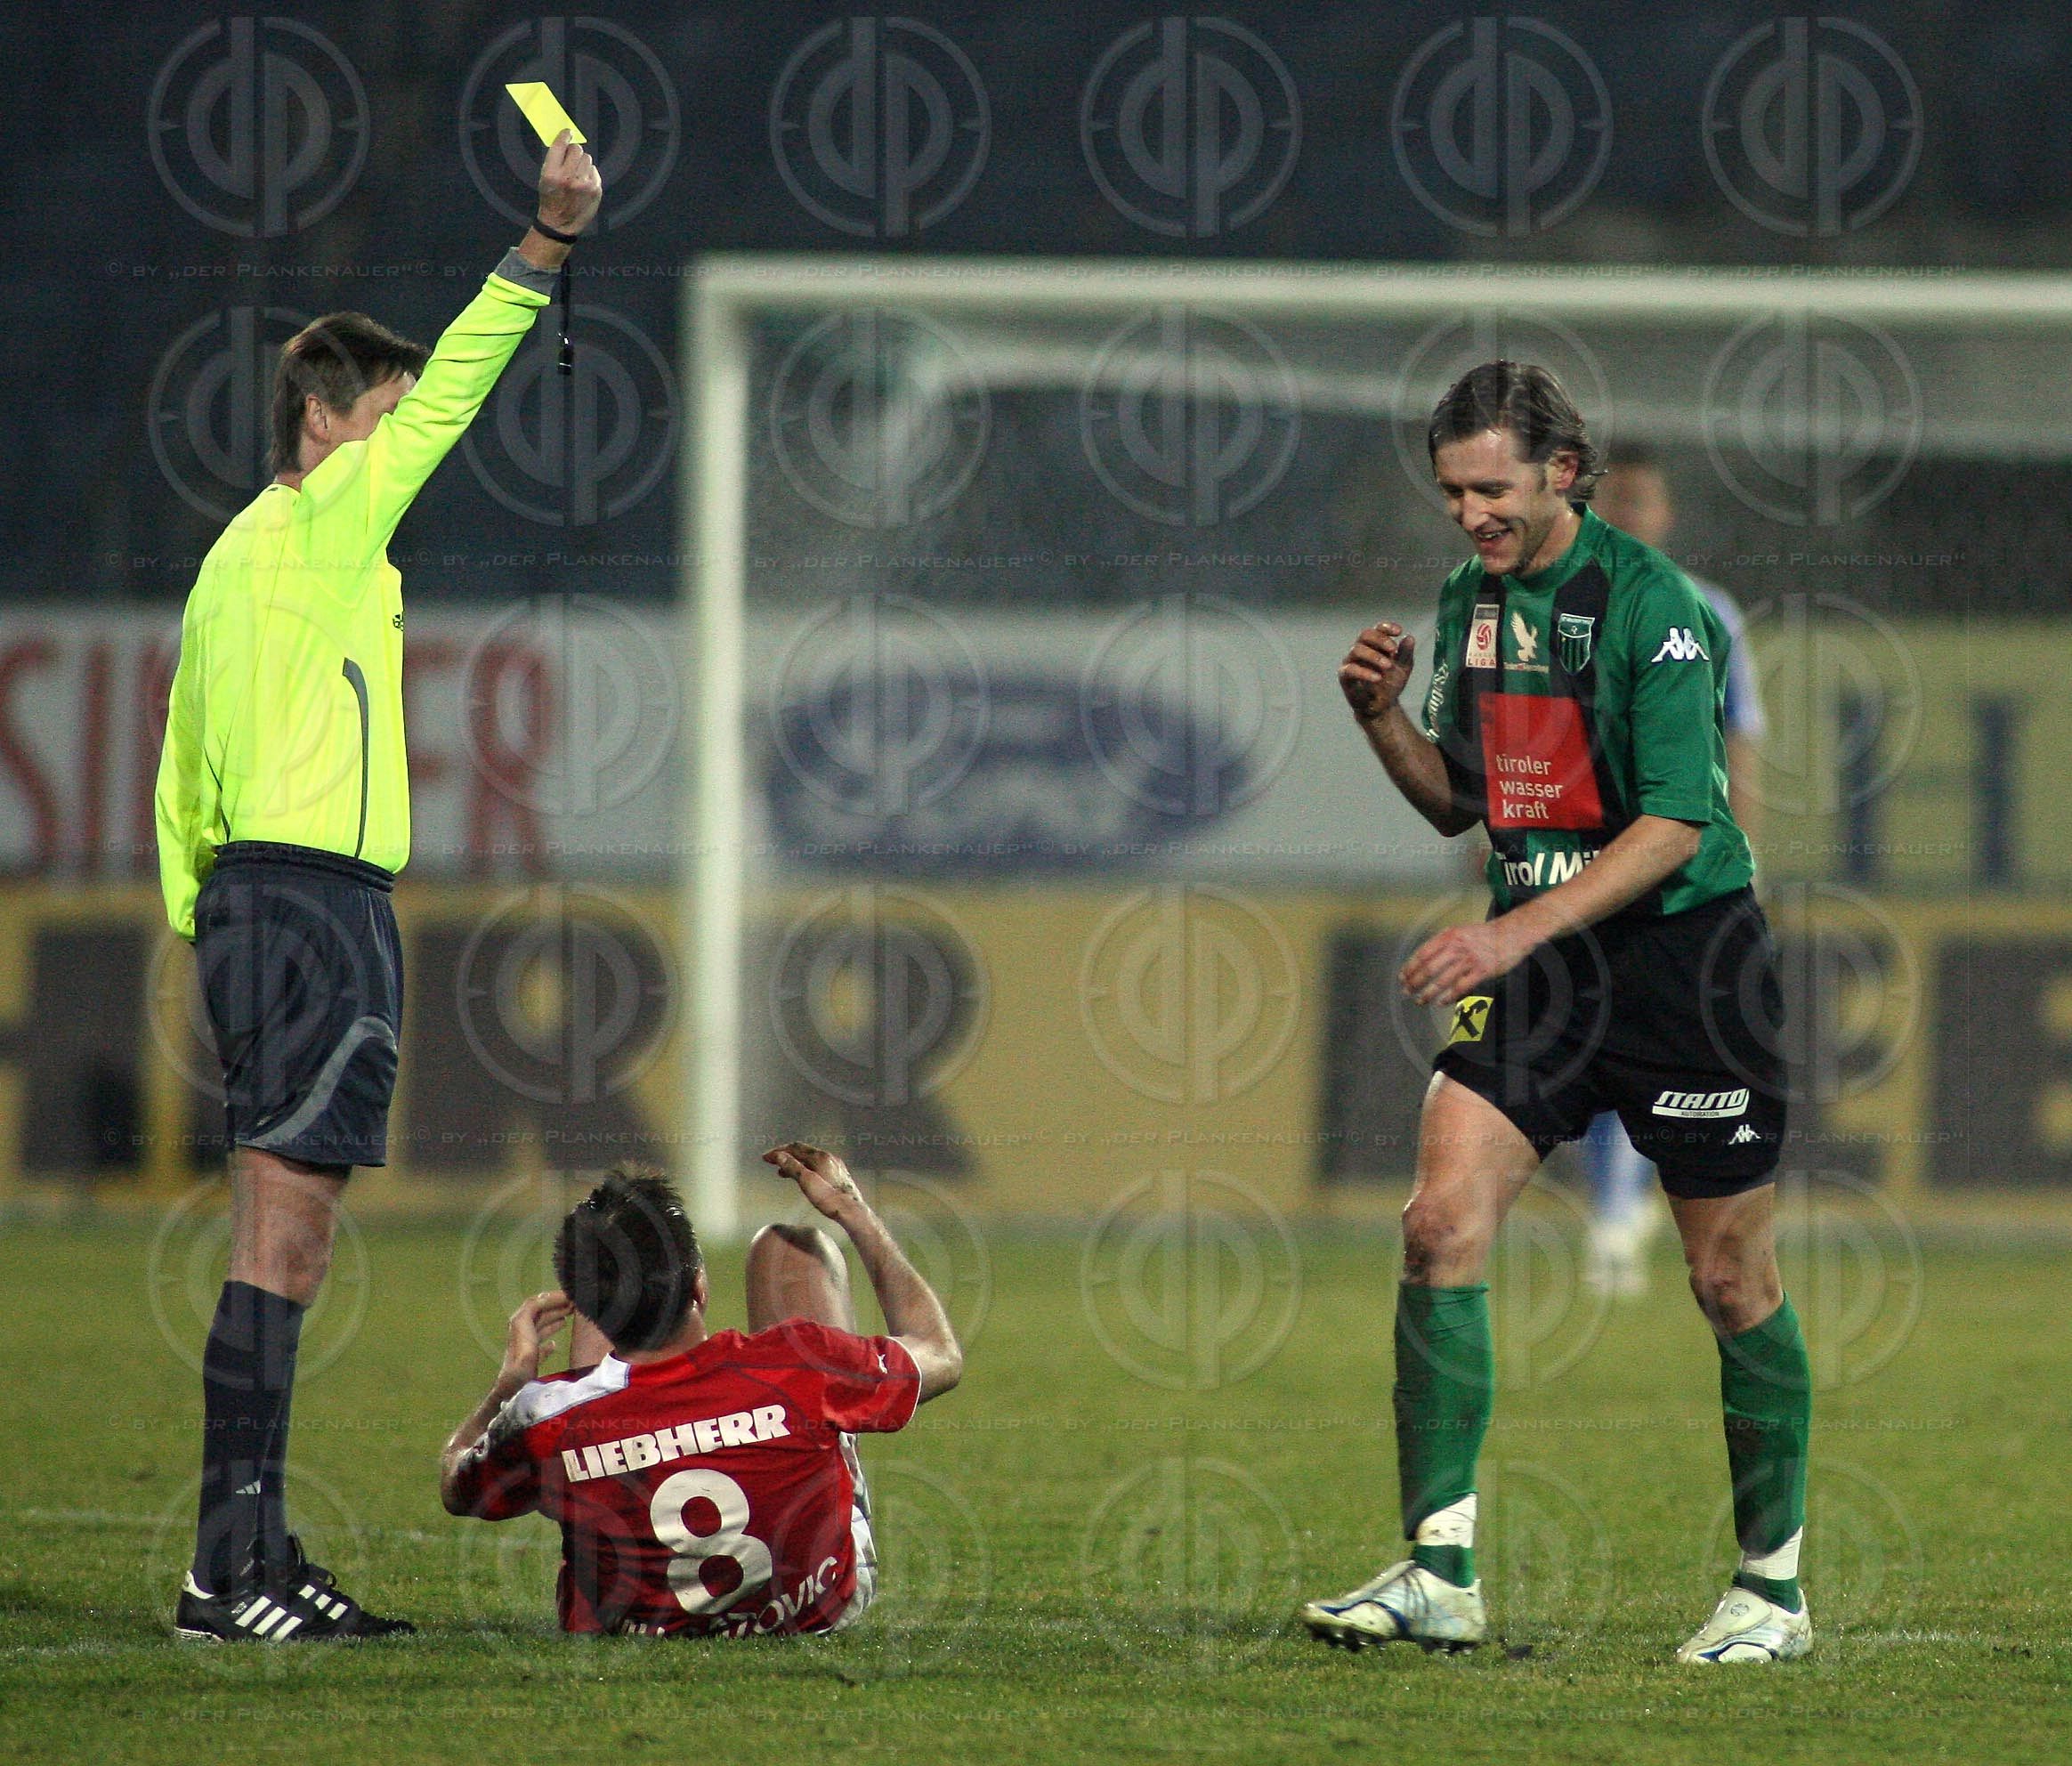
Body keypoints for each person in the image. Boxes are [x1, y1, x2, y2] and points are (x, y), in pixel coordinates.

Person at [159, 134, 604, 1641]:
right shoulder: (330, 513)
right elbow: (471, 374)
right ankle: (230, 1569)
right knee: (282, 1234)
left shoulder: (236, 560)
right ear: (325, 420)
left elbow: (178, 762)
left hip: (258, 899)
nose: (407, 439)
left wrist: (200, 913)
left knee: (285, 1232)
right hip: (312, 901)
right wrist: (544, 243)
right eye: (389, 416)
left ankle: (251, 1552)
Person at [1300, 362, 1809, 1664]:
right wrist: (1376, 721)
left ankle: (1773, 1591)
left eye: (1491, 488)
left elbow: (1677, 823)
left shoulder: (1660, 610)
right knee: (1437, 1224)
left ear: (1560, 475)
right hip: (1541, 974)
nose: (1468, 514)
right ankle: (1440, 1571)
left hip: (1685, 962)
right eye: (1451, 491)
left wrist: (1505, 927)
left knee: (1725, 1275)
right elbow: (1459, 797)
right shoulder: (1472, 597)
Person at [441, 1146, 963, 1637]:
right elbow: (939, 1352)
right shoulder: (801, 1363)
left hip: (633, 1627)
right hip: (811, 1607)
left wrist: (509, 1388)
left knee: (595, 1359)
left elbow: (456, 1487)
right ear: (700, 1288)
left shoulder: (541, 1414)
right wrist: (852, 1210)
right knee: (791, 1251)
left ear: (586, 1313)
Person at [1580, 444, 1768, 1296]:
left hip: (1675, 864)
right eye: (1614, 501)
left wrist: (1746, 857)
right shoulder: (1555, 606)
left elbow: (1741, 740)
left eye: (1641, 501)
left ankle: (1636, 1209)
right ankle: (1615, 1208)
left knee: (1664, 1038)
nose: (1628, 515)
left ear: (1665, 515)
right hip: (1574, 863)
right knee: (1588, 1033)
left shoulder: (1708, 611)